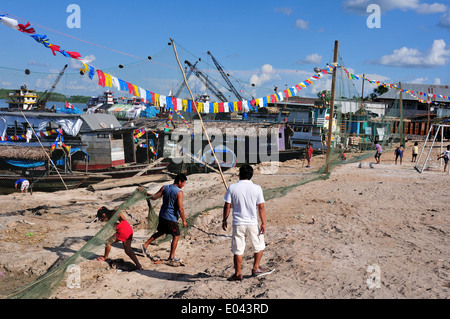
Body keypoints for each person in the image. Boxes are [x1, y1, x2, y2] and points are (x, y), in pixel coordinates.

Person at [222, 164, 268, 281]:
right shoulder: (257, 188)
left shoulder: (232, 188)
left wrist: (224, 219)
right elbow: (261, 207)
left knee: (238, 249)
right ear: (251, 175)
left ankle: (238, 273)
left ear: (239, 174)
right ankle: (255, 268)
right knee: (259, 246)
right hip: (252, 222)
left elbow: (227, 205)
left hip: (238, 223)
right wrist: (263, 222)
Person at [141, 173, 188, 262]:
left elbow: (154, 197)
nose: (184, 185)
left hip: (162, 216)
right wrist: (184, 220)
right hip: (171, 218)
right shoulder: (179, 192)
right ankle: (171, 257)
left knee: (161, 232)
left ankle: (145, 245)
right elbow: (181, 208)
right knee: (176, 236)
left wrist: (145, 193)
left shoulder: (165, 187)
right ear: (179, 181)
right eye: (184, 183)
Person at [96, 206, 143, 270]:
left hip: (123, 231)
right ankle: (138, 265)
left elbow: (123, 219)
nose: (103, 220)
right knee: (128, 251)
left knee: (107, 242)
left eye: (102, 218)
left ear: (104, 215)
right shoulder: (110, 216)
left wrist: (118, 211)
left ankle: (105, 257)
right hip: (128, 230)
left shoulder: (113, 213)